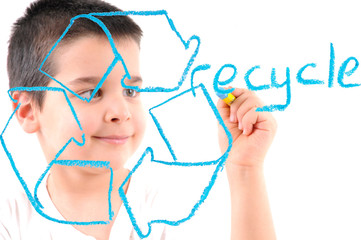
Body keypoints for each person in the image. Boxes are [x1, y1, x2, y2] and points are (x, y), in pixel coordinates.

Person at [0, 0, 277, 239]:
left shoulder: (174, 210)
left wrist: (245, 169)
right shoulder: (10, 222)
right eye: (91, 92)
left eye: (130, 91)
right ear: (27, 111)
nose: (121, 111)